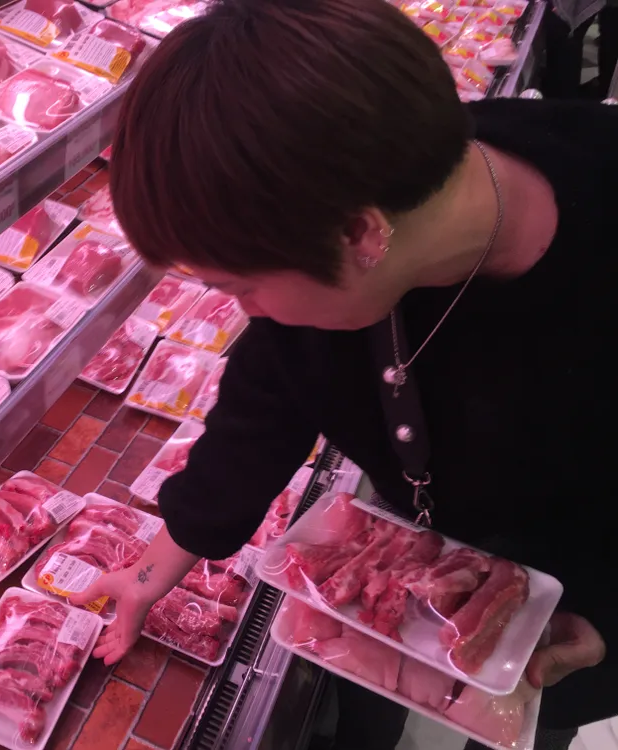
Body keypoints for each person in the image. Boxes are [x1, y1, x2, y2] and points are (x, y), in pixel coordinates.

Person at [68, 0, 617, 748]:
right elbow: (274, 380)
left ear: (361, 233)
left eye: (239, 286)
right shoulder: (364, 193)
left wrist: (611, 617)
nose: (245, 311)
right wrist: (159, 562)